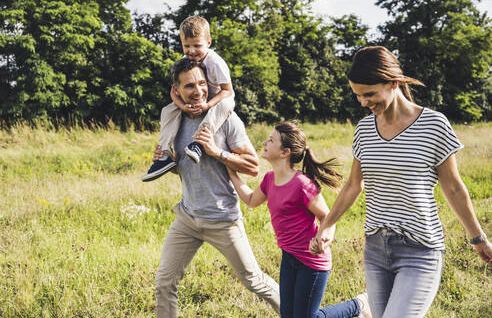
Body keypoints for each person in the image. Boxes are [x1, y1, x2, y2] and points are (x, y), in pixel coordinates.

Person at [311, 46, 492, 318]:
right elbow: (353, 185)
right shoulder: (364, 129)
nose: (363, 102)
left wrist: (478, 238)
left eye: (369, 94)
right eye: (358, 95)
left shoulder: (433, 124)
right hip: (376, 247)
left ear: (393, 83)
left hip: (420, 249)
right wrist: (327, 224)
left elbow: (453, 187)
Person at [153, 57, 280, 318]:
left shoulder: (226, 118)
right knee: (164, 283)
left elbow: (252, 166)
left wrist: (216, 151)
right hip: (187, 218)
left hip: (223, 219)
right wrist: (165, 161)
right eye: (189, 86)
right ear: (176, 91)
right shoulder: (173, 120)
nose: (198, 91)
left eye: (202, 83)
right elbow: (184, 168)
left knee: (254, 281)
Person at [227, 121, 371, 318]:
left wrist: (324, 236)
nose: (264, 142)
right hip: (289, 256)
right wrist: (230, 171)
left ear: (285, 152)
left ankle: (358, 306)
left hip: (312, 261)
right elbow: (251, 200)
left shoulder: (301, 184)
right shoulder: (269, 179)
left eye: (271, 140)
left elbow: (326, 217)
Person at [142, 15, 235, 182]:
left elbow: (227, 91)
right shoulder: (185, 62)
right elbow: (174, 91)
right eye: (187, 46)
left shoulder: (216, 62)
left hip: (218, 99)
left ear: (208, 42)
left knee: (225, 104)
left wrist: (208, 105)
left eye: (197, 45)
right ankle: (164, 154)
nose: (191, 51)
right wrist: (182, 106)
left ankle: (199, 143)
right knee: (167, 110)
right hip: (195, 100)